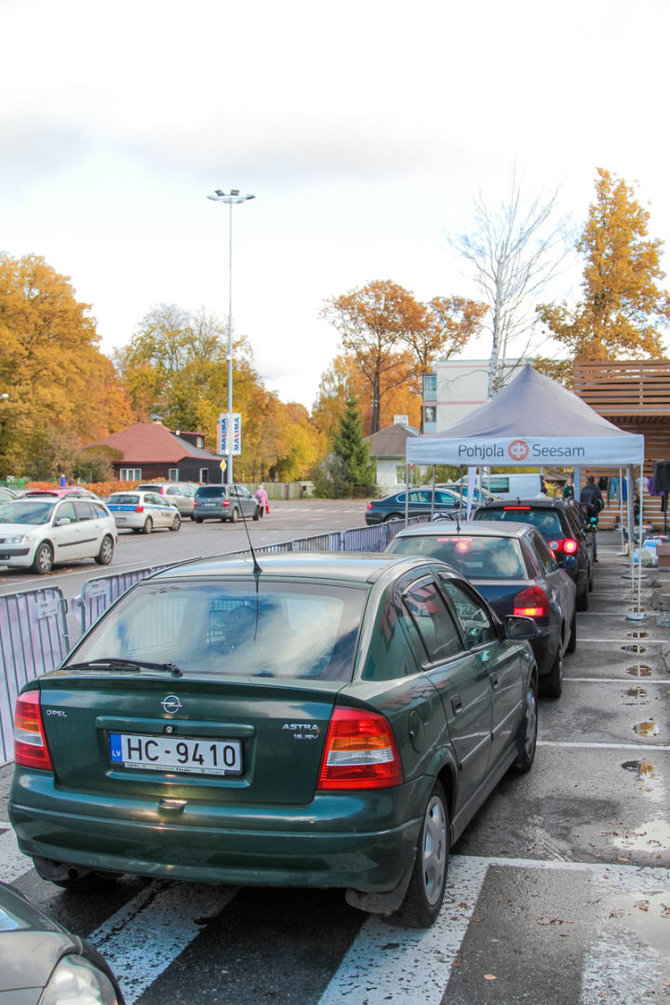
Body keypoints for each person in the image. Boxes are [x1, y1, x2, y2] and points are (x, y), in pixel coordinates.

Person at [580, 476, 604, 561]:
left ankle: (586, 555)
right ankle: (594, 556)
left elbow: (580, 503)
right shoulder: (596, 490)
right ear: (594, 481)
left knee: (584, 534)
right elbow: (601, 503)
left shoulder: (583, 490)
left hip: (584, 515)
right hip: (593, 515)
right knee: (593, 534)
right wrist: (597, 511)